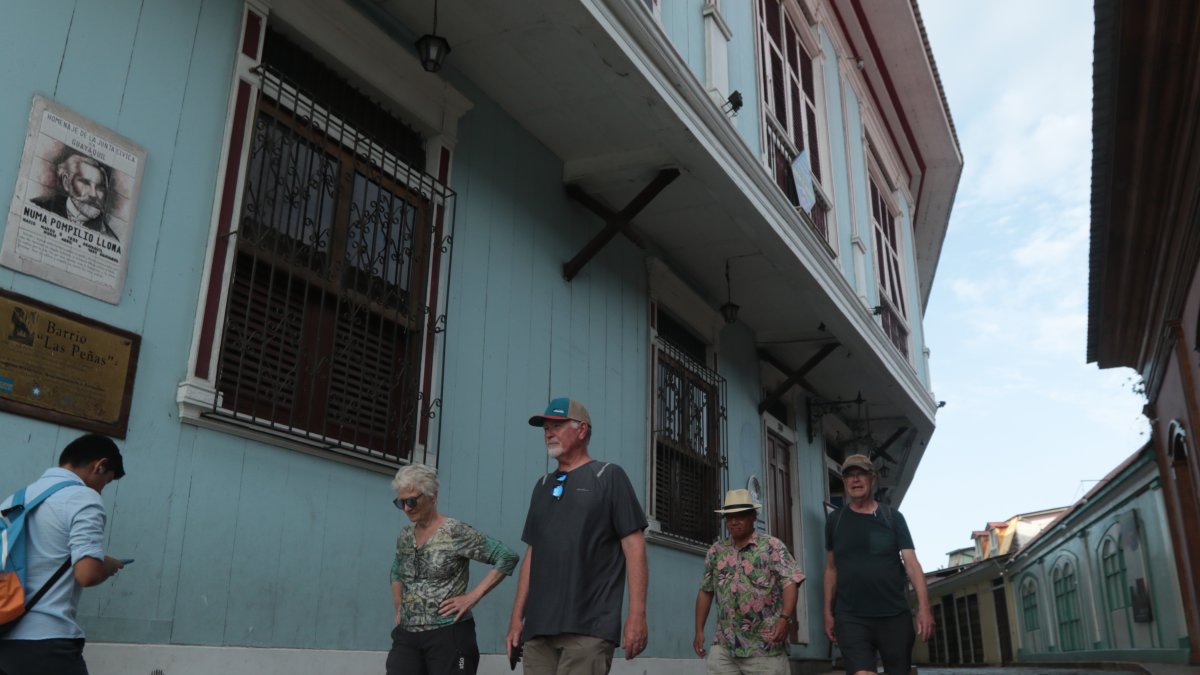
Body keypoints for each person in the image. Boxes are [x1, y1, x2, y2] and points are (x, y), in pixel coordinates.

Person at [506, 397, 649, 675]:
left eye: (557, 426)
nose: (548, 433)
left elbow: (634, 548)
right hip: (539, 631)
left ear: (582, 430)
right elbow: (532, 554)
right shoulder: (542, 485)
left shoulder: (609, 476)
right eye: (546, 428)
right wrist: (516, 620)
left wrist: (637, 614)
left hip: (589, 628)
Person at [0, 433, 127, 675]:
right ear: (100, 466)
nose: (101, 490)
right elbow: (87, 574)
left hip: (5, 633)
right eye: (106, 481)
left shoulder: (17, 499)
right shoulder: (83, 497)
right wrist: (106, 566)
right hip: (46, 641)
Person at [387, 463, 518, 675]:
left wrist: (472, 597)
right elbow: (397, 569)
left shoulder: (454, 531)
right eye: (400, 502)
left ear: (432, 496)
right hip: (408, 636)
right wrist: (398, 605)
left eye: (411, 501)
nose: (406, 508)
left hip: (449, 634)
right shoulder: (405, 535)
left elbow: (506, 556)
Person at [823, 454, 933, 675]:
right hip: (851, 616)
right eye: (849, 476)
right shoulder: (835, 521)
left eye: (861, 474)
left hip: (894, 616)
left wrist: (924, 608)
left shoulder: (893, 518)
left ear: (872, 479)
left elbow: (912, 565)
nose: (855, 480)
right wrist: (827, 612)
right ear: (844, 482)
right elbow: (831, 569)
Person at [694, 489, 805, 675]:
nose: (734, 521)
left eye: (740, 515)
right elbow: (706, 591)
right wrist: (699, 630)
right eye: (729, 517)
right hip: (725, 647)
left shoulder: (772, 547)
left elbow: (790, 581)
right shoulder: (716, 551)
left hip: (764, 647)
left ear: (754, 516)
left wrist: (784, 618)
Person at [31, 152, 119, 240]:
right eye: (85, 183)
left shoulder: (108, 237)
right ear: (66, 182)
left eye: (99, 187)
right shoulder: (38, 206)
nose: (93, 194)